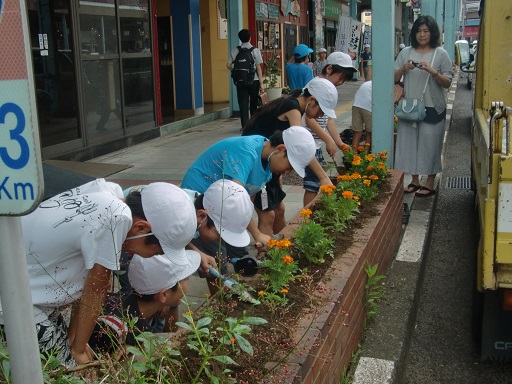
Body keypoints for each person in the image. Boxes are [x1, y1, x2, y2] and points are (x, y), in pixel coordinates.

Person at [0, 180, 198, 366]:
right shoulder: (117, 218)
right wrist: (77, 350)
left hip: (30, 293)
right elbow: (96, 289)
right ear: (141, 228)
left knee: (64, 357)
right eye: (158, 251)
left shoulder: (107, 193)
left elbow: (86, 285)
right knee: (64, 370)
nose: (151, 256)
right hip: (12, 300)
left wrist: (75, 340)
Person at [181, 127, 316, 287]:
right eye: (290, 166)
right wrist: (257, 234)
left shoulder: (267, 161)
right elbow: (233, 198)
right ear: (281, 149)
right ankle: (220, 303)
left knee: (233, 247)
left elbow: (245, 200)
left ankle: (230, 285)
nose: (287, 172)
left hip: (222, 205)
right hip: (203, 200)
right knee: (217, 258)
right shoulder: (246, 152)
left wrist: (251, 231)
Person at [117, 179, 252, 325]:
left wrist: (197, 252)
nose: (219, 241)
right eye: (219, 235)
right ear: (201, 216)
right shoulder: (174, 208)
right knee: (138, 296)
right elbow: (159, 238)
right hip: (129, 239)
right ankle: (128, 329)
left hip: (140, 237)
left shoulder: (197, 210)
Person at [243, 77, 338, 233]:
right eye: (321, 110)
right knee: (268, 215)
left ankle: (284, 247)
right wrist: (323, 177)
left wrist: (277, 172)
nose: (320, 116)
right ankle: (266, 254)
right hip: (256, 163)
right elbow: (299, 144)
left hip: (269, 163)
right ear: (311, 100)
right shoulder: (292, 107)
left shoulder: (294, 104)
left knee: (279, 210)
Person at [89, 251, 200, 354]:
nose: (188, 281)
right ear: (163, 295)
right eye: (186, 278)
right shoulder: (113, 328)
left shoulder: (144, 298)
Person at [394, 15, 453, 197]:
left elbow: (447, 82)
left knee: (431, 144)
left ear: (432, 33)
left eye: (426, 31)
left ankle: (429, 181)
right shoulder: (406, 52)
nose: (422, 35)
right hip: (410, 106)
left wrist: (433, 71)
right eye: (418, 31)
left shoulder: (441, 54)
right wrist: (403, 69)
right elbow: (393, 78)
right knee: (410, 143)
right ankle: (414, 180)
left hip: (433, 106)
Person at [302, 51, 358, 205]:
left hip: (315, 143)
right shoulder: (314, 87)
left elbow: (329, 120)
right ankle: (307, 217)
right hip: (308, 142)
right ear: (329, 69)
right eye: (341, 77)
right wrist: (328, 139)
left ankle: (309, 216)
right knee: (313, 184)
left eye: (344, 80)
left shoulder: (328, 89)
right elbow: (309, 118)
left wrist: (339, 143)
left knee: (315, 183)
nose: (341, 82)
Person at [227, 29, 264, 131]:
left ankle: (244, 126)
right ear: (250, 38)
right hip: (254, 80)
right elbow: (258, 68)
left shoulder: (235, 50)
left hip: (240, 81)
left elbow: (228, 65)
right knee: (253, 103)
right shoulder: (255, 50)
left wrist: (236, 71)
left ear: (240, 38)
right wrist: (261, 83)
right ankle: (253, 124)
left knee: (243, 103)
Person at [351, 80, 373, 150]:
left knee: (358, 133)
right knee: (369, 133)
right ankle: (366, 156)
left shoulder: (367, 83)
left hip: (356, 105)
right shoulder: (380, 85)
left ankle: (353, 155)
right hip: (368, 108)